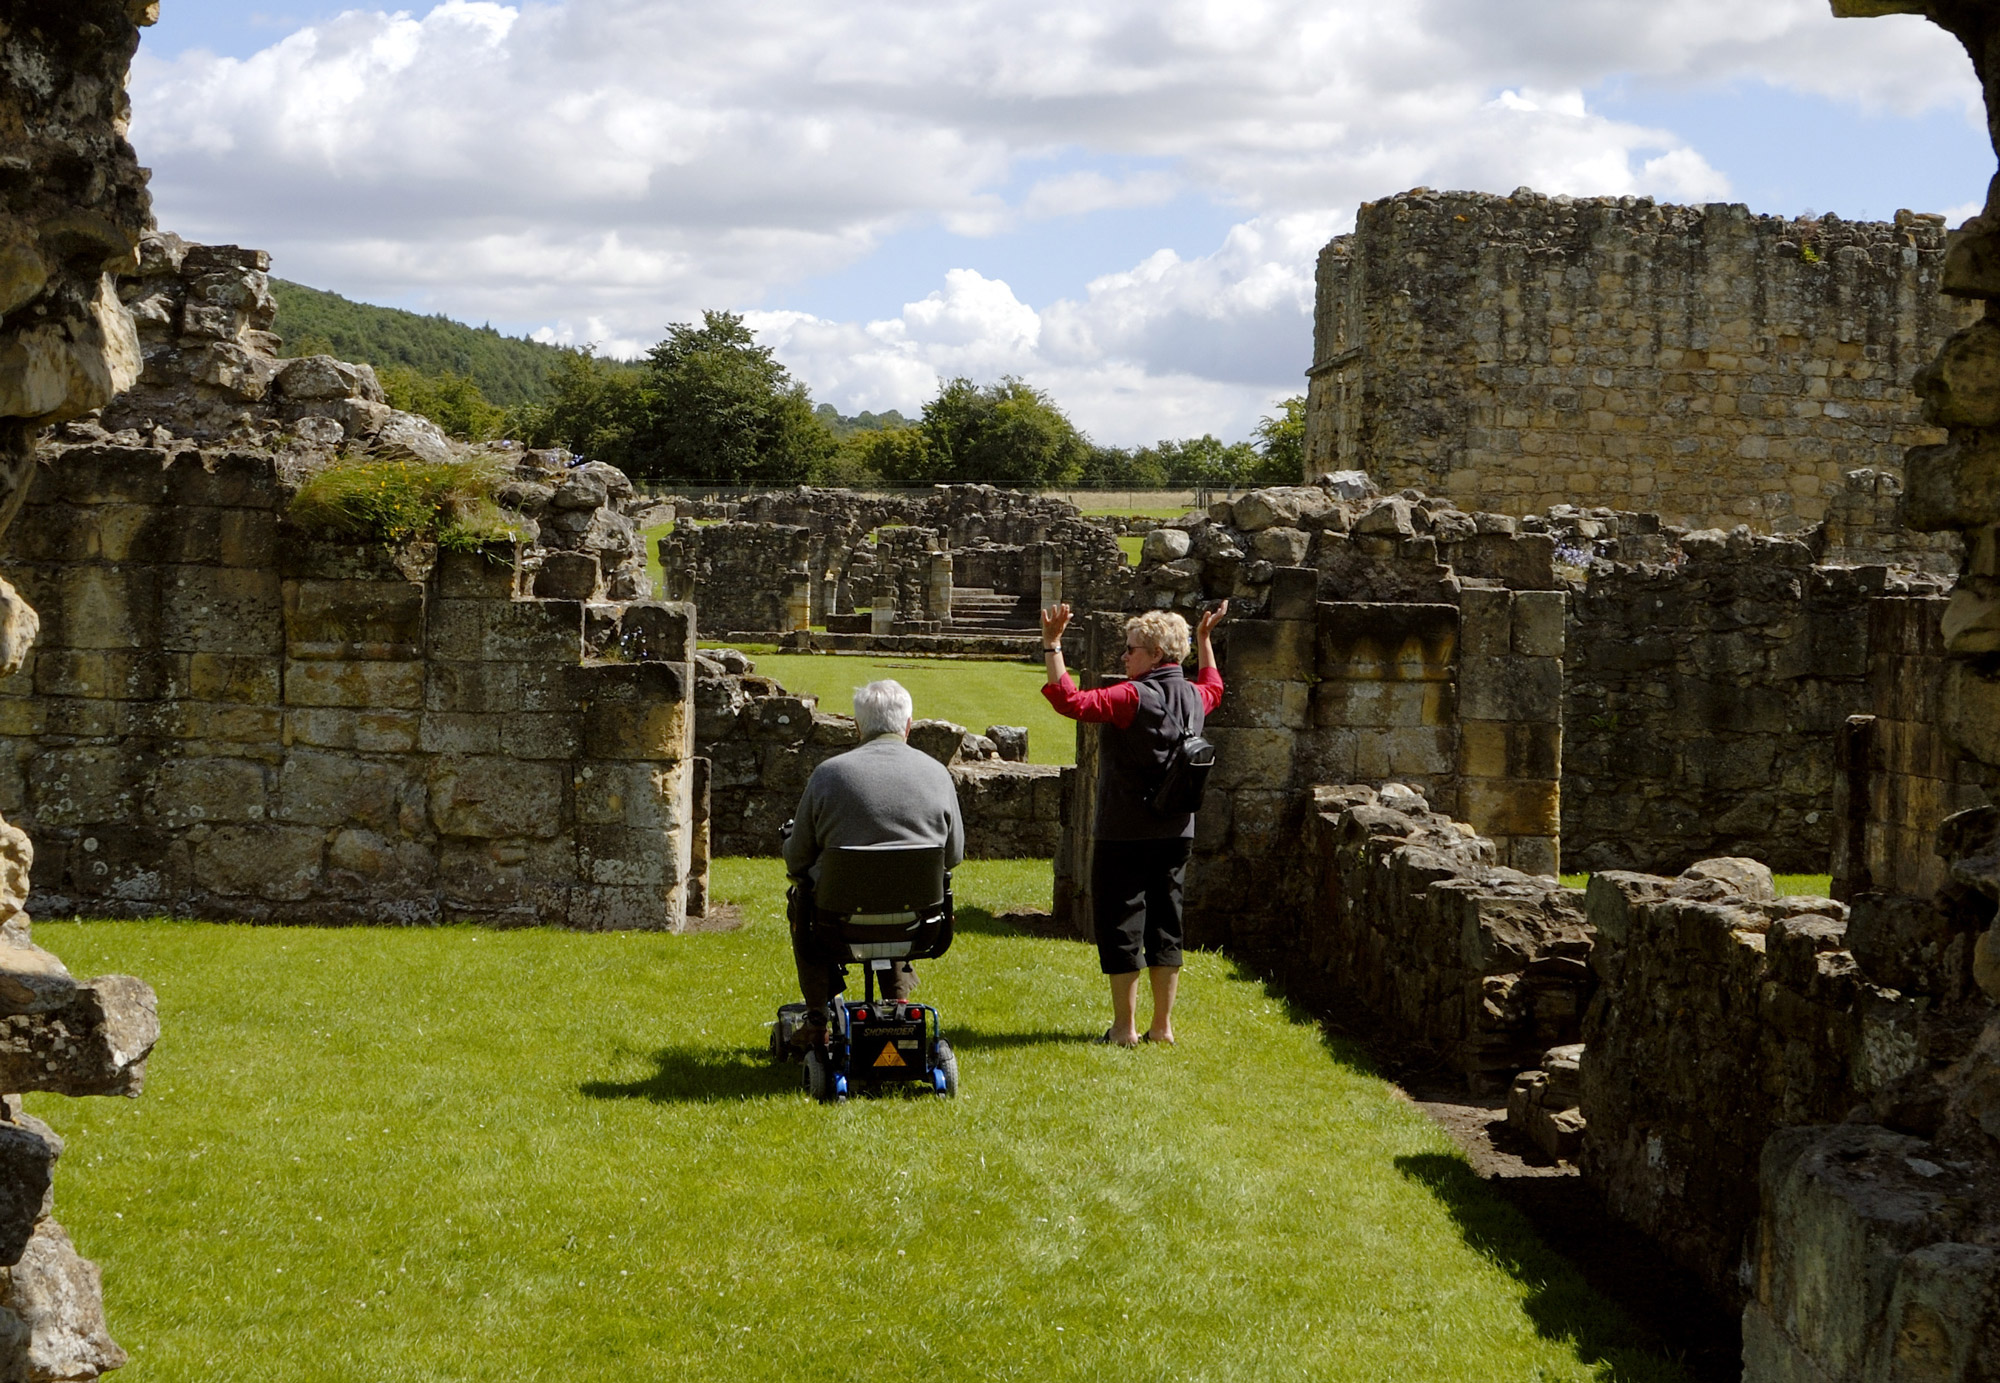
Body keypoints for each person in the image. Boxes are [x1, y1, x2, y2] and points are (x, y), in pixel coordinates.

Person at [1039, 601, 1227, 1047]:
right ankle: (1162, 1027)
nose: (1124, 656)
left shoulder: (1131, 697)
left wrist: (1052, 645)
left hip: (1124, 833)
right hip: (1177, 832)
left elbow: (1070, 701)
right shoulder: (1194, 698)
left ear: (1157, 654)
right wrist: (1204, 640)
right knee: (1167, 923)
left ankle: (1124, 1029)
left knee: (1122, 923)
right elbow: (1214, 685)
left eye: (1131, 649)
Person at [782, 679, 965, 1051]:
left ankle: (817, 1019)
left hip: (837, 922)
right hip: (918, 923)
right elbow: (953, 855)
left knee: (802, 900)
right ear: (908, 725)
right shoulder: (937, 774)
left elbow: (798, 858)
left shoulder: (829, 775)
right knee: (895, 893)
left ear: (857, 726)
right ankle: (898, 999)